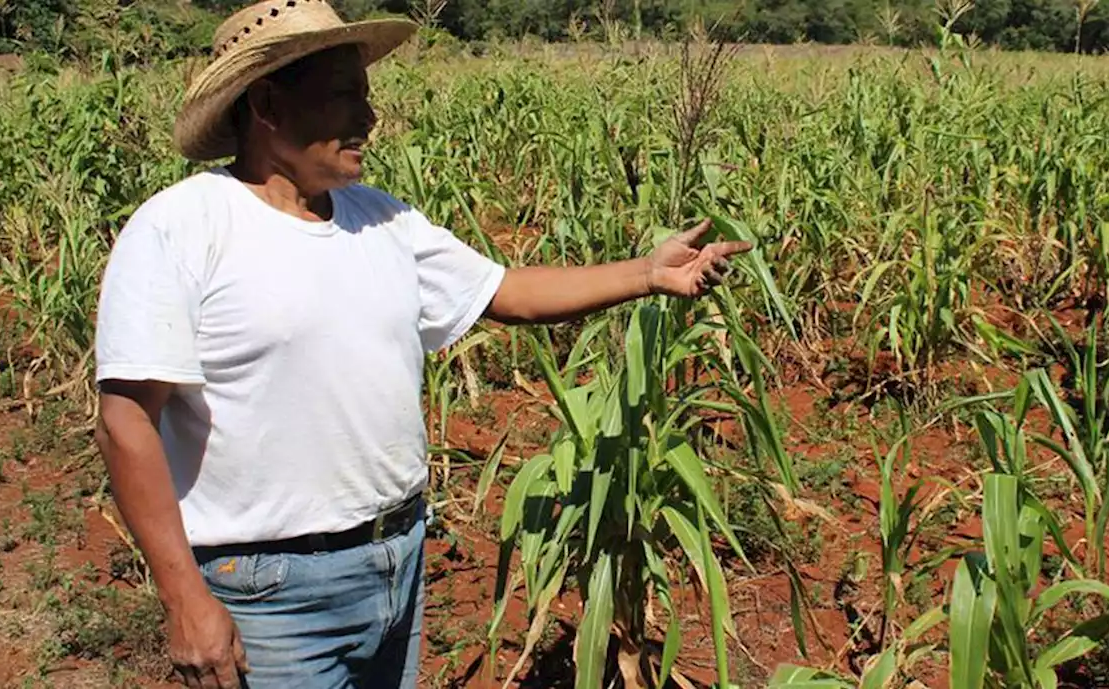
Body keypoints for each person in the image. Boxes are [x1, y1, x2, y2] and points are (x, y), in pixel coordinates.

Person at [92, 1, 750, 688]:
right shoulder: (182, 227)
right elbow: (126, 419)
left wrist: (648, 272)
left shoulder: (382, 219)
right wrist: (183, 597)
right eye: (345, 95)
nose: (368, 118)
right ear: (267, 103)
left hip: (395, 563)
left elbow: (507, 291)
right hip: (269, 594)